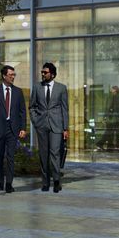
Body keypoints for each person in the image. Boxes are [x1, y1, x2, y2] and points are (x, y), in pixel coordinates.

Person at [0, 64, 28, 193]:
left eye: (14, 75)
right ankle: (0, 182)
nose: (13, 77)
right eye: (10, 75)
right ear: (4, 76)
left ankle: (9, 183)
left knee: (10, 157)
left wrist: (23, 128)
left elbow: (22, 112)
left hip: (12, 129)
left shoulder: (18, 92)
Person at [30, 62, 69, 192]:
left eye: (45, 72)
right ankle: (45, 182)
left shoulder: (61, 88)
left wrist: (65, 128)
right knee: (43, 154)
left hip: (57, 126)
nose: (43, 74)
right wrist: (35, 121)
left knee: (55, 153)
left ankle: (56, 181)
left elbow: (64, 109)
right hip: (41, 125)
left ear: (52, 74)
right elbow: (32, 107)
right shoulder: (37, 87)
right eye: (42, 72)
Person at [101, 85, 119, 151]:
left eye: (112, 89)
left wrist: (104, 117)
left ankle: (110, 147)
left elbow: (107, 109)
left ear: (115, 90)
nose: (111, 90)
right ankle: (117, 147)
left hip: (112, 119)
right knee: (116, 134)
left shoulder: (110, 98)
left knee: (110, 133)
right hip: (116, 119)